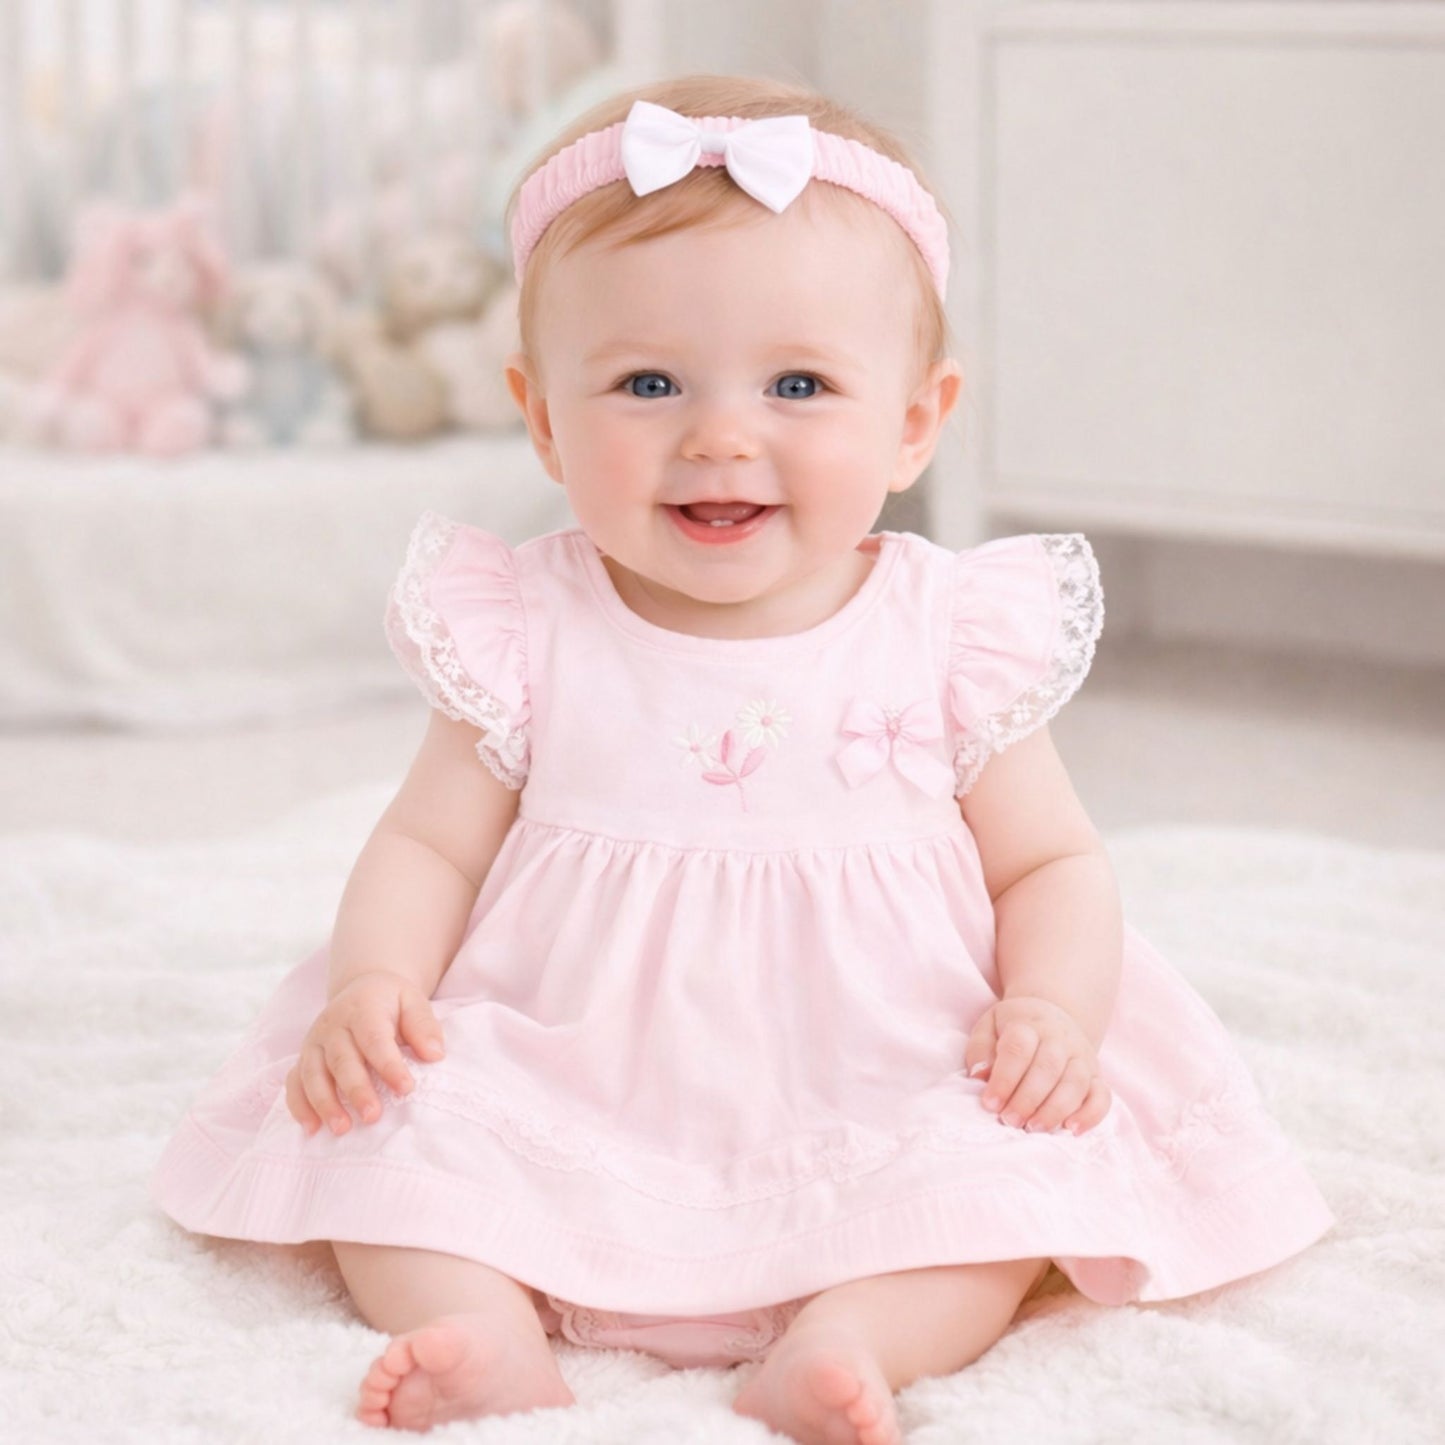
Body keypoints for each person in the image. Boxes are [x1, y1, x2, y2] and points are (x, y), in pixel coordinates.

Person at [150, 74, 1336, 1445]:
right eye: (647, 383)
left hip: (887, 1053)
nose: (720, 434)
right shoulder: (526, 621)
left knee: (998, 1182)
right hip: (570, 1050)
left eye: (799, 385)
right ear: (543, 418)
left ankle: (853, 1337)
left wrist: (1052, 1010)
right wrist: (376, 983)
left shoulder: (948, 629)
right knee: (397, 1134)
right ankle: (484, 1335)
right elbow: (428, 843)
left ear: (915, 419)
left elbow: (1051, 862)